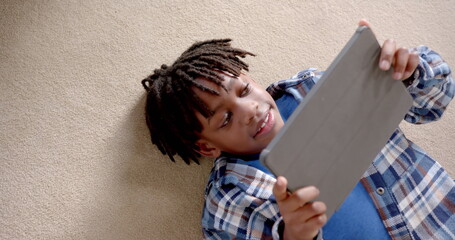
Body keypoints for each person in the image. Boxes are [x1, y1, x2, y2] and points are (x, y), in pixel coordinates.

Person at [141, 20, 454, 239]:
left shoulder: (315, 87)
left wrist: (410, 72)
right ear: (207, 147)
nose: (250, 111)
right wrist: (295, 234)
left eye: (244, 91)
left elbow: (434, 104)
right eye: (225, 119)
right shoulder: (229, 199)